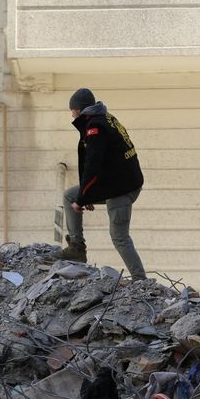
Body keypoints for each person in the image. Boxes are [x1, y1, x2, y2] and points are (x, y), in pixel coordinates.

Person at [52, 88, 147, 281]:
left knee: (119, 237)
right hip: (115, 181)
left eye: (72, 111)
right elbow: (98, 165)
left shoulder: (96, 127)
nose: (71, 115)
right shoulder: (104, 118)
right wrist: (87, 194)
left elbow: (93, 166)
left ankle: (140, 280)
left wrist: (84, 198)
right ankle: (77, 248)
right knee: (70, 195)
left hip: (122, 187)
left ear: (78, 110)